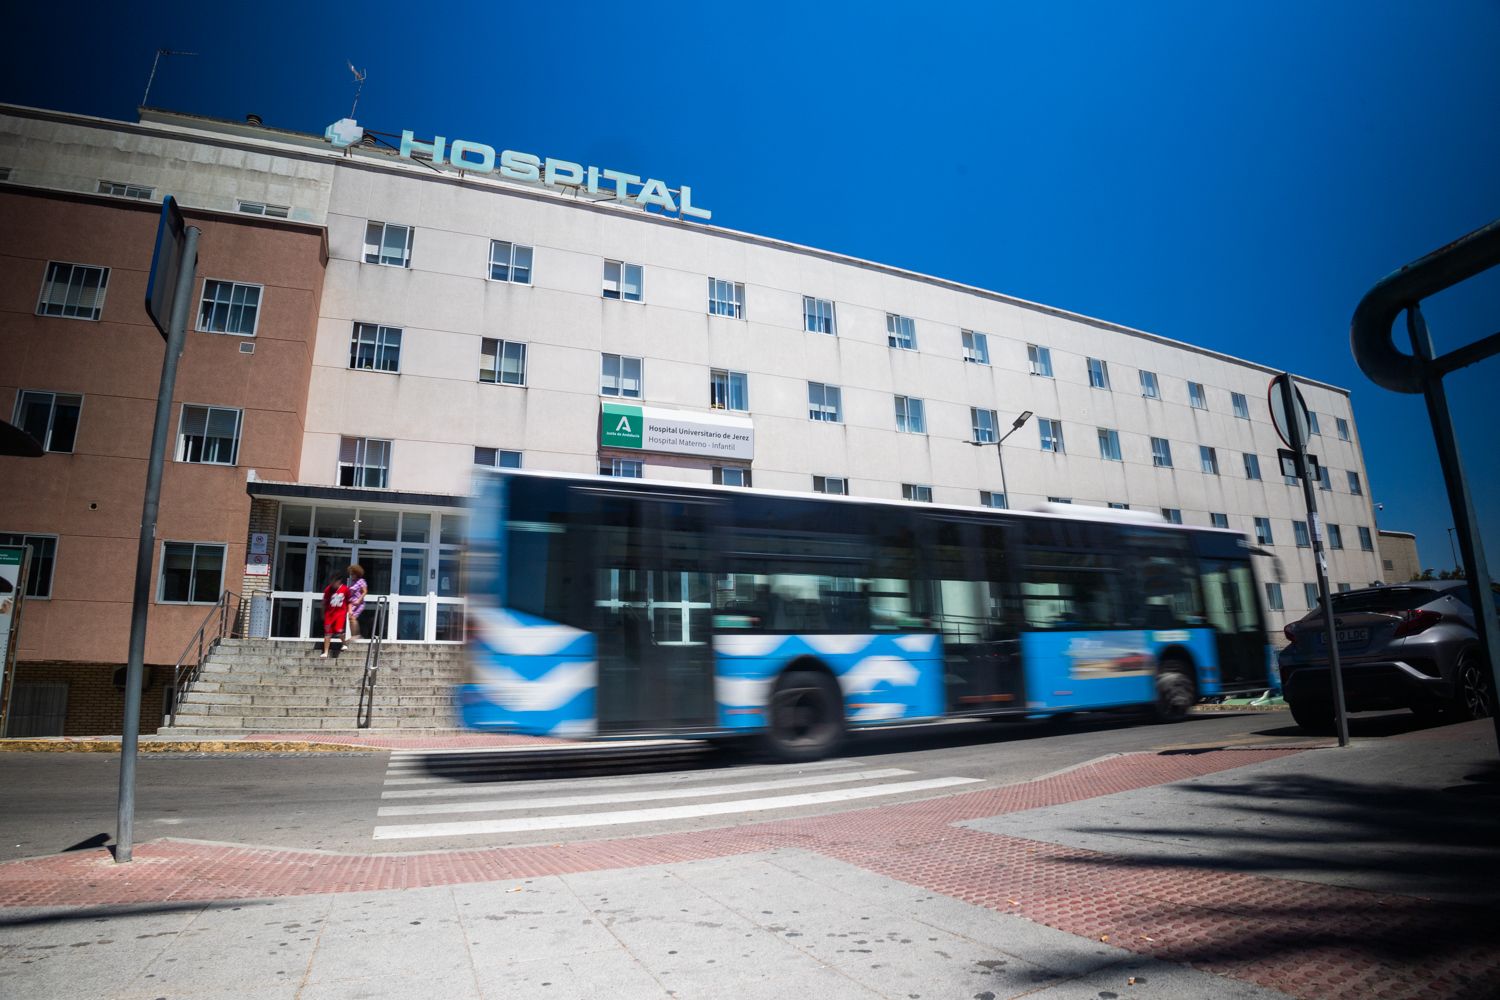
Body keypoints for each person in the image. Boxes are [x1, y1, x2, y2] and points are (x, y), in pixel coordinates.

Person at [321, 572, 349, 658]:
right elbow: (324, 602)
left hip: (340, 613)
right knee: (327, 633)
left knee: (339, 629)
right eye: (331, 581)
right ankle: (325, 652)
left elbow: (349, 601)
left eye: (334, 581)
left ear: (339, 581)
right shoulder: (328, 589)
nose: (332, 583)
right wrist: (322, 613)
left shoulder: (345, 589)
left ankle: (344, 643)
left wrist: (349, 611)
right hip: (329, 614)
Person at [345, 564, 368, 643]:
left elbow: (365, 591)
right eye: (351, 574)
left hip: (359, 603)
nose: (351, 575)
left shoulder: (361, 581)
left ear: (357, 573)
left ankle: (356, 635)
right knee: (350, 618)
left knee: (353, 618)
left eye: (353, 574)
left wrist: (359, 600)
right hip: (351, 603)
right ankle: (354, 635)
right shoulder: (351, 582)